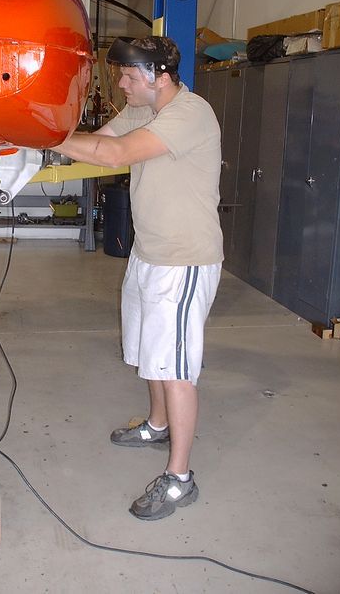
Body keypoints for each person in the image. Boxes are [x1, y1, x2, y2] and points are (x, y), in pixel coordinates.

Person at [54, 36, 223, 521]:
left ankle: (180, 479)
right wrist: (45, 138)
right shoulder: (142, 109)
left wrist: (42, 137)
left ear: (160, 76)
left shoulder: (190, 113)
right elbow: (100, 145)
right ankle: (156, 425)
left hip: (184, 261)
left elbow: (115, 155)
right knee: (150, 351)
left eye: (129, 76)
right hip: (149, 254)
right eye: (119, 76)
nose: (121, 85)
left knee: (176, 368)